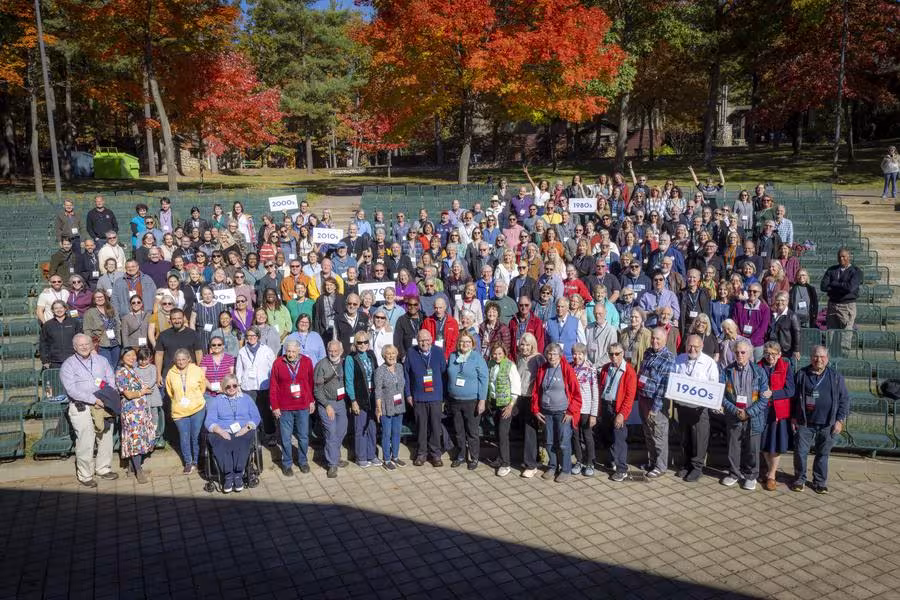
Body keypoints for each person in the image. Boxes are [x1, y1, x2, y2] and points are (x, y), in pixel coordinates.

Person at [59, 334, 118, 487]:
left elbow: (110, 380)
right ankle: (85, 475)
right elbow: (71, 390)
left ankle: (103, 469)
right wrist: (93, 400)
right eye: (80, 345)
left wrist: (105, 398)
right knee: (86, 441)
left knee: (105, 437)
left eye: (87, 344)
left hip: (103, 404)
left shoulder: (102, 360)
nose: (85, 347)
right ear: (74, 347)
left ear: (92, 345)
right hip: (81, 406)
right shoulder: (68, 365)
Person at [791, 346, 850, 494]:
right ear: (811, 358)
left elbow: (844, 400)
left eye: (822, 357)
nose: (819, 360)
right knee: (800, 452)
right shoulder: (801, 374)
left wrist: (839, 420)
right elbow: (793, 398)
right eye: (816, 356)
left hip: (827, 423)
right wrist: (793, 417)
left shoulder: (836, 377)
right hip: (804, 422)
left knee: (823, 454)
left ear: (827, 359)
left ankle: (820, 482)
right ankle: (799, 479)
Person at [720, 340, 771, 490]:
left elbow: (764, 398)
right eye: (737, 352)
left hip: (753, 417)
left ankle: (751, 476)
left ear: (749, 354)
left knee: (752, 448)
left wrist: (748, 412)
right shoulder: (727, 370)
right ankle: (734, 474)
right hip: (733, 415)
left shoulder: (759, 372)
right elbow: (721, 395)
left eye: (743, 352)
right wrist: (735, 410)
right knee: (733, 446)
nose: (740, 355)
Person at [672, 334, 720, 483]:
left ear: (701, 347)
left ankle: (697, 468)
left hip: (700, 409)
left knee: (699, 439)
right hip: (682, 407)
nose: (692, 349)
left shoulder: (709, 363)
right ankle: (686, 465)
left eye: (696, 346)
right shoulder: (679, 359)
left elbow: (713, 385)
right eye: (689, 346)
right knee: (685, 438)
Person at [532, 343, 582, 482]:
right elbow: (536, 391)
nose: (551, 356)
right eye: (549, 353)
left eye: (554, 353)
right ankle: (553, 466)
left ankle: (565, 469)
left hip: (563, 412)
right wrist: (535, 409)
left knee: (563, 442)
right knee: (548, 441)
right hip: (546, 412)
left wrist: (571, 412)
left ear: (560, 355)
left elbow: (576, 394)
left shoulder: (566, 369)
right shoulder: (543, 369)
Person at [205, 374, 261, 493]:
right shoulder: (216, 401)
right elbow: (209, 420)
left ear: (238, 386)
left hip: (243, 429)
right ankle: (228, 476)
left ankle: (238, 474)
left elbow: (256, 417)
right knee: (219, 441)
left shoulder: (246, 398)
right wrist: (220, 431)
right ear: (223, 387)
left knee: (242, 441)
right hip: (223, 431)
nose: (231, 388)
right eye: (228, 386)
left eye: (234, 385)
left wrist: (247, 427)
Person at [269, 338, 315, 476]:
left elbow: (311, 383)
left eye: (294, 351)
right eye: (288, 351)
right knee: (285, 437)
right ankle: (287, 463)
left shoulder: (307, 362)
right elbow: (273, 386)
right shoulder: (278, 363)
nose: (290, 354)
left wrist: (311, 400)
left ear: (299, 351)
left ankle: (303, 461)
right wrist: (275, 406)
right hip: (284, 407)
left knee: (303, 436)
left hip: (302, 406)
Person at [446, 331, 489, 470]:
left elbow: (484, 379)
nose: (465, 344)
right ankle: (461, 456)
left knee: (472, 431)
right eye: (462, 342)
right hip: (455, 400)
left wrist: (482, 400)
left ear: (472, 344)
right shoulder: (453, 356)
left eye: (468, 342)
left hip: (472, 401)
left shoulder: (477, 358)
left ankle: (474, 457)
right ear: (458, 343)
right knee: (459, 431)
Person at [636, 328, 675, 478]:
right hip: (643, 398)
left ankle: (661, 466)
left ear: (664, 340)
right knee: (648, 433)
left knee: (658, 435)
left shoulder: (668, 358)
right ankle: (652, 462)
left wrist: (655, 407)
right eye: (653, 338)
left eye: (658, 339)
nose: (654, 341)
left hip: (656, 403)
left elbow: (664, 387)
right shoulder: (648, 352)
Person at [404, 329, 447, 466]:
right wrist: (408, 394)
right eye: (421, 340)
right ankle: (421, 454)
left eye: (427, 339)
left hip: (435, 396)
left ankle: (435, 454)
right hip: (418, 396)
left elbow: (443, 373)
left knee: (435, 426)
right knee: (421, 427)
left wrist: (443, 395)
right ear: (417, 340)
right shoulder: (411, 352)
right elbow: (406, 375)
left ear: (431, 339)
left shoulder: (438, 352)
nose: (424, 343)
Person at [595, 342, 636, 482]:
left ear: (622, 354)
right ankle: (612, 461)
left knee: (619, 439)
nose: (614, 356)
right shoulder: (606, 368)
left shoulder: (629, 371)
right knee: (609, 436)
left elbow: (630, 396)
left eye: (617, 354)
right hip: (606, 405)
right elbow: (601, 387)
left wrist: (622, 414)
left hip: (618, 408)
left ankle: (622, 468)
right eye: (611, 354)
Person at [115, 347, 156, 484]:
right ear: (122, 357)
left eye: (133, 355)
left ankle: (132, 468)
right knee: (135, 439)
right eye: (128, 355)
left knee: (138, 438)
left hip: (140, 411)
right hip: (132, 412)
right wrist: (142, 392)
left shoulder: (132, 371)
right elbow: (128, 394)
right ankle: (139, 471)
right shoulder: (121, 372)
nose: (132, 358)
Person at [165, 348, 208, 474]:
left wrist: (194, 399)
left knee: (195, 436)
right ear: (175, 360)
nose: (181, 362)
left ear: (189, 359)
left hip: (197, 408)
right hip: (179, 411)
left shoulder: (197, 370)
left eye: (184, 359)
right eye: (178, 359)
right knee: (184, 437)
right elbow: (170, 392)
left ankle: (197, 461)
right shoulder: (170, 373)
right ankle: (188, 462)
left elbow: (202, 387)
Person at [313, 340, 350, 478]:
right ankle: (332, 464)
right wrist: (326, 405)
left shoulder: (345, 362)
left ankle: (335, 456)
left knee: (342, 430)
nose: (333, 353)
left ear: (341, 351)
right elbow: (317, 390)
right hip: (327, 403)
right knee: (331, 433)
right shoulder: (321, 365)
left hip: (341, 403)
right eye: (330, 351)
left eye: (336, 351)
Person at [345, 331, 381, 468]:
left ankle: (372, 455)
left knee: (372, 427)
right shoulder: (351, 358)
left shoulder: (371, 354)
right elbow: (348, 381)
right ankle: (361, 457)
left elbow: (376, 374)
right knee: (360, 428)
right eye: (359, 342)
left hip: (372, 397)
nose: (363, 345)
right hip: (359, 398)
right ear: (355, 343)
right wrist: (353, 400)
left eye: (365, 342)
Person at [486, 343, 521, 477]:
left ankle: (506, 464)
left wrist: (511, 405)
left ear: (504, 353)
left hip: (506, 405)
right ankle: (500, 458)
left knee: (503, 434)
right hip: (494, 403)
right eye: (495, 353)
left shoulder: (510, 365)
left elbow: (516, 387)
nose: (497, 356)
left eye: (500, 353)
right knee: (496, 433)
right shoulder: (490, 364)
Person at [820, 247, 862, 355]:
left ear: (849, 257)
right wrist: (841, 287)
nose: (841, 258)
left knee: (845, 336)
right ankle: (830, 360)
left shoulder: (856, 271)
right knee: (831, 335)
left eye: (843, 256)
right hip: (832, 305)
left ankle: (843, 359)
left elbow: (850, 288)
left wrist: (834, 284)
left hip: (847, 306)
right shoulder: (831, 270)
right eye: (839, 256)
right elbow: (823, 286)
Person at [373, 344, 406, 470]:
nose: (391, 356)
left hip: (399, 405)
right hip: (386, 406)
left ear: (397, 354)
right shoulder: (380, 371)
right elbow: (378, 391)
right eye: (388, 354)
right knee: (387, 434)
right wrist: (378, 408)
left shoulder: (399, 367)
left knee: (397, 432)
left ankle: (395, 457)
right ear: (383, 356)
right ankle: (386, 459)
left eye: (393, 353)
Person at [570, 343, 598, 477]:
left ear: (584, 354)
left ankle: (590, 462)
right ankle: (579, 461)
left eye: (580, 353)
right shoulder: (570, 367)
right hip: (573, 409)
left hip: (586, 408)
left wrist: (594, 414)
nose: (577, 356)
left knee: (587, 436)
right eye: (575, 353)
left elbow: (595, 392)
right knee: (575, 436)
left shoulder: (590, 368)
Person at [83, 289, 122, 369]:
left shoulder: (112, 309)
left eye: (101, 297)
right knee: (108, 368)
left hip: (115, 344)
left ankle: (113, 381)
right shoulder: (90, 312)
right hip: (102, 345)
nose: (99, 299)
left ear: (105, 297)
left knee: (115, 367)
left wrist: (119, 340)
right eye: (96, 297)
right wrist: (91, 348)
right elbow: (87, 331)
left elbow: (118, 325)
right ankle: (109, 382)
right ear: (93, 299)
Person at [40, 300, 82, 369]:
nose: (59, 310)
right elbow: (43, 344)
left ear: (65, 309)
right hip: (54, 361)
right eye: (56, 308)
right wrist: (45, 361)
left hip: (73, 360)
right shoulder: (47, 325)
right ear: (52, 310)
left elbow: (80, 340)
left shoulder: (74, 323)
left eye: (61, 308)